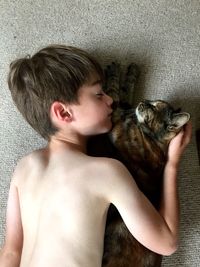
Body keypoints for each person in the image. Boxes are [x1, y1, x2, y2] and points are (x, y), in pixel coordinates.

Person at [0, 44, 192, 267]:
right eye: (99, 94)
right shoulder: (107, 170)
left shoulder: (24, 167)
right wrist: (172, 164)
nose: (110, 99)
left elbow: (11, 253)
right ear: (63, 112)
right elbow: (166, 242)